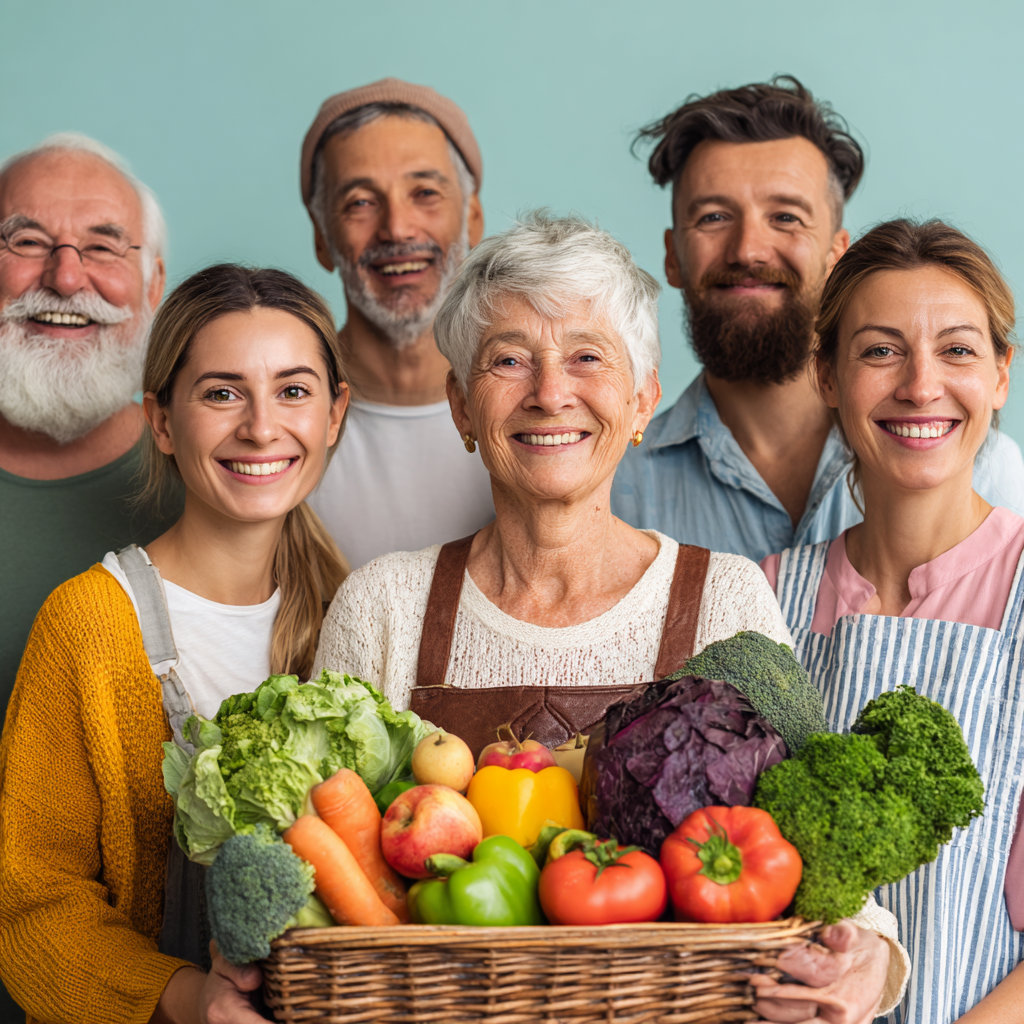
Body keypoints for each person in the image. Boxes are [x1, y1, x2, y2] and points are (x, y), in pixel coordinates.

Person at [314, 211, 907, 1021]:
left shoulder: (724, 600)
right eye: (508, 359)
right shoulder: (383, 606)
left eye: (587, 357)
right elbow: (314, 880)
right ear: (459, 407)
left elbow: (813, 840)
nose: (550, 392)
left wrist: (873, 953)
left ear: (640, 402)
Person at [0, 265, 349, 1023]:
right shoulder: (88, 623)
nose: (261, 427)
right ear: (161, 421)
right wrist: (189, 998)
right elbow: (30, 902)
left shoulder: (355, 614)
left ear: (335, 414)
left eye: (293, 390)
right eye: (222, 393)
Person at [763, 219, 1024, 1021]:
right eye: (880, 351)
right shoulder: (765, 597)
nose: (919, 385)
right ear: (828, 376)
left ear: (1001, 376)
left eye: (957, 350)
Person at [611, 77, 1024, 563]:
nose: (748, 250)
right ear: (672, 256)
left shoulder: (980, 464)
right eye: (713, 217)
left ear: (837, 255)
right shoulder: (618, 487)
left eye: (786, 217)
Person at [0, 133, 178, 732]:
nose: (67, 278)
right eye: (26, 241)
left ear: (153, 285)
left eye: (103, 247)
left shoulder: (216, 485)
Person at [300, 78, 495, 569]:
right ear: (322, 237)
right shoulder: (278, 424)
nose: (397, 229)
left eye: (425, 192)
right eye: (361, 202)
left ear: (472, 218)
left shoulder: (535, 408)